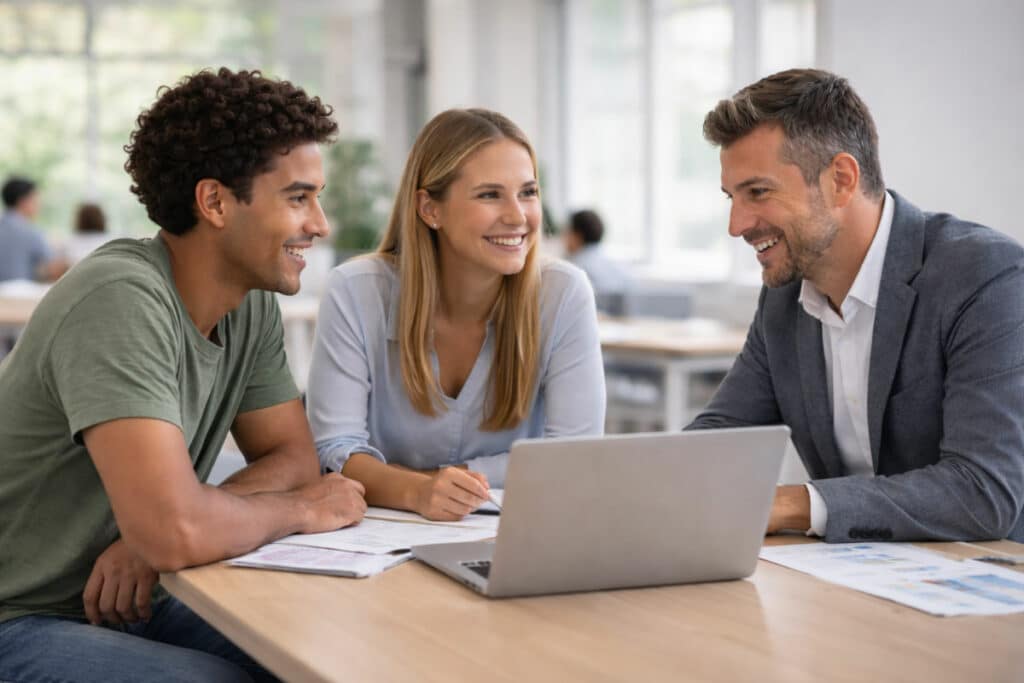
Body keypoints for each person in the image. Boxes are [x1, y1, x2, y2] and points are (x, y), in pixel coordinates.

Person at [0, 67, 367, 682]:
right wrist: (296, 512)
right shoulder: (119, 297)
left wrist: (170, 531)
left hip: (144, 594)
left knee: (321, 653)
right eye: (298, 197)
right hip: (21, 617)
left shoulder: (249, 305)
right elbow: (187, 527)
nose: (320, 224)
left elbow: (293, 461)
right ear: (215, 202)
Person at [688, 68, 1024, 543]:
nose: (737, 224)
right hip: (857, 584)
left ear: (841, 180)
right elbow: (721, 436)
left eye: (758, 192)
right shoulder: (785, 298)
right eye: (731, 197)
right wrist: (638, 484)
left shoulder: (983, 274)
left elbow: (984, 491)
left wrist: (792, 503)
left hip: (992, 585)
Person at [306, 108, 606, 521]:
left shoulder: (563, 293)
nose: (518, 216)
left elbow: (573, 457)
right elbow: (335, 450)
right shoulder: (356, 292)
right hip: (379, 538)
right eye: (489, 194)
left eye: (528, 192)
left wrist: (442, 483)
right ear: (430, 209)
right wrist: (419, 491)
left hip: (513, 536)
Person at [0, 176, 66, 282]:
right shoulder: (30, 232)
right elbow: (54, 267)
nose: (39, 205)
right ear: (23, 201)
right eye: (35, 199)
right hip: (21, 294)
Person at [563, 208, 631, 311]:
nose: (563, 237)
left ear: (577, 236)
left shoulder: (574, 268)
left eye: (567, 232)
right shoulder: (616, 266)